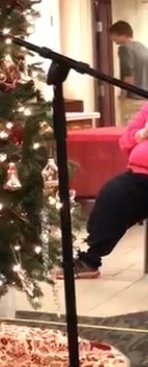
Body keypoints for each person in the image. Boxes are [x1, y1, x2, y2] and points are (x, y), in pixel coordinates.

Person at [57, 100, 148, 279]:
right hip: (139, 174)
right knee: (113, 194)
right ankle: (90, 260)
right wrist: (142, 134)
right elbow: (125, 141)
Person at [108, 20, 148, 124]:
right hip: (145, 97)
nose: (112, 39)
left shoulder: (124, 49)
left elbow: (128, 76)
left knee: (130, 130)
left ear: (120, 34)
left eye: (112, 35)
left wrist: (123, 95)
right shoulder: (143, 48)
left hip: (133, 99)